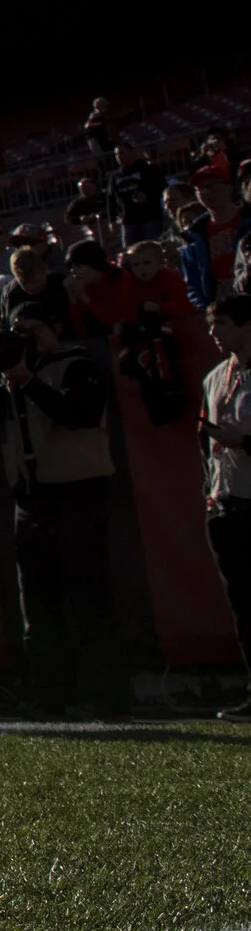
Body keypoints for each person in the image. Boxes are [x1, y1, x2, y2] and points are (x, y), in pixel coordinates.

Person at [0, 306, 127, 718]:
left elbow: (80, 415)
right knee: (38, 606)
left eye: (30, 331)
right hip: (30, 498)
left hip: (77, 493)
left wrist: (29, 380)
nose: (22, 339)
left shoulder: (77, 364)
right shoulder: (7, 375)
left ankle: (107, 696)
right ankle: (51, 695)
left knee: (89, 600)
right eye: (15, 332)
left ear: (54, 328)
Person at [199, 296, 251, 723]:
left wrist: (244, 442)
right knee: (244, 605)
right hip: (227, 500)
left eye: (222, 324)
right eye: (211, 325)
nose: (214, 332)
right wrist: (210, 491)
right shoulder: (215, 377)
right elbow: (206, 438)